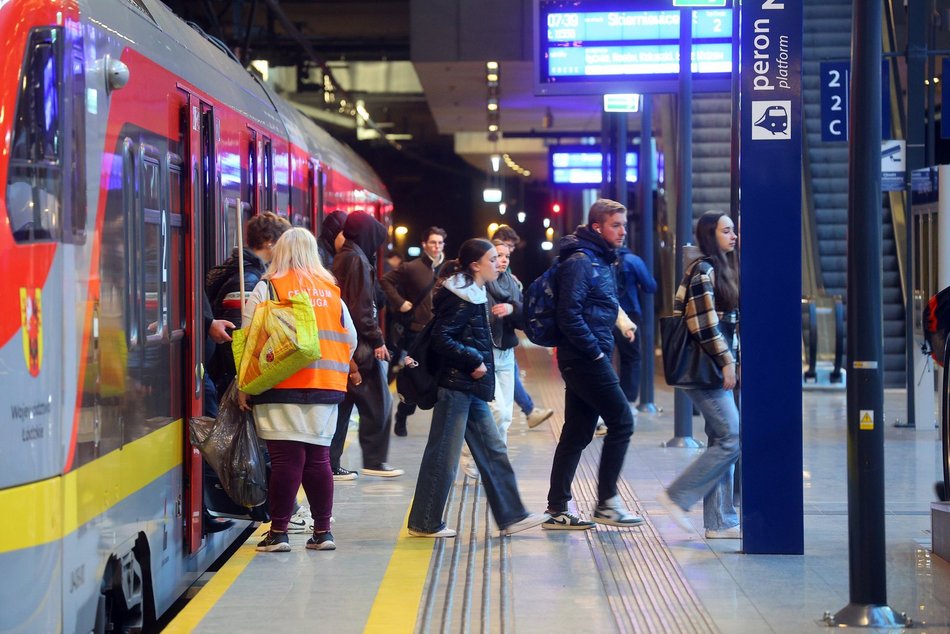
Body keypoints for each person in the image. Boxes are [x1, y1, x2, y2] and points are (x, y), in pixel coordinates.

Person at [407, 239, 549, 538]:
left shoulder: (474, 291)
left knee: (493, 449)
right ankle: (425, 522)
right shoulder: (462, 296)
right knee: (443, 456)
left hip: (469, 388)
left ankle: (512, 516)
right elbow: (442, 338)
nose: (498, 263)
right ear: (475, 265)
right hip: (455, 388)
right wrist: (473, 359)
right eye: (492, 259)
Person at [237, 227, 358, 552]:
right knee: (318, 458)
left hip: (279, 386)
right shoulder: (330, 290)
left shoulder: (269, 287)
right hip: (326, 386)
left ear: (280, 252)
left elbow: (248, 337)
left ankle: (278, 533)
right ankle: (322, 533)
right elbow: (350, 339)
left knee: (285, 459)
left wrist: (243, 384)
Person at [543, 199, 643, 531]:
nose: (623, 231)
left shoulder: (600, 259)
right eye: (616, 225)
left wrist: (620, 327)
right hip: (585, 357)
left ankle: (557, 509)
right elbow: (568, 314)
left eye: (624, 225)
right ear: (597, 227)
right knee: (622, 421)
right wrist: (596, 353)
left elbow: (601, 305)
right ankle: (607, 503)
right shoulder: (581, 261)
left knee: (577, 432)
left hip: (585, 355)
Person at [656, 210, 741, 540]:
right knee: (732, 437)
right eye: (726, 231)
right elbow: (703, 324)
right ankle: (677, 496)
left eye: (733, 231)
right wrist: (727, 361)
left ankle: (720, 521)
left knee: (721, 439)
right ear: (710, 235)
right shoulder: (703, 271)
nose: (733, 236)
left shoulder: (720, 268)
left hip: (712, 366)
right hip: (705, 367)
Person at [330, 211, 404, 478]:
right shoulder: (357, 260)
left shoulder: (344, 256)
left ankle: (331, 463)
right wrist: (377, 339)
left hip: (346, 344)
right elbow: (362, 309)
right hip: (360, 345)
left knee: (344, 407)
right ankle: (374, 461)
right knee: (379, 404)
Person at [206, 212, 292, 398]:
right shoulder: (248, 280)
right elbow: (237, 334)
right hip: (232, 376)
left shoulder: (244, 270)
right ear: (269, 242)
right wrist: (244, 378)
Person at [380, 226, 448, 436]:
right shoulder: (411, 267)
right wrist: (400, 302)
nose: (436, 246)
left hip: (441, 332)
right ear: (424, 244)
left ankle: (443, 425)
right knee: (416, 377)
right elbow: (385, 280)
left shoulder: (448, 268)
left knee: (442, 378)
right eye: (433, 242)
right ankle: (403, 414)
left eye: (440, 243)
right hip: (416, 333)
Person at [489, 225, 553, 429]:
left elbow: (523, 314)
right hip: (486, 349)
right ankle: (529, 410)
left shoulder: (510, 280)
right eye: (503, 250)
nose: (506, 257)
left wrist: (512, 307)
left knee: (504, 414)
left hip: (505, 344)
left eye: (509, 253)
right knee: (497, 410)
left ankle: (529, 410)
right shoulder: (479, 279)